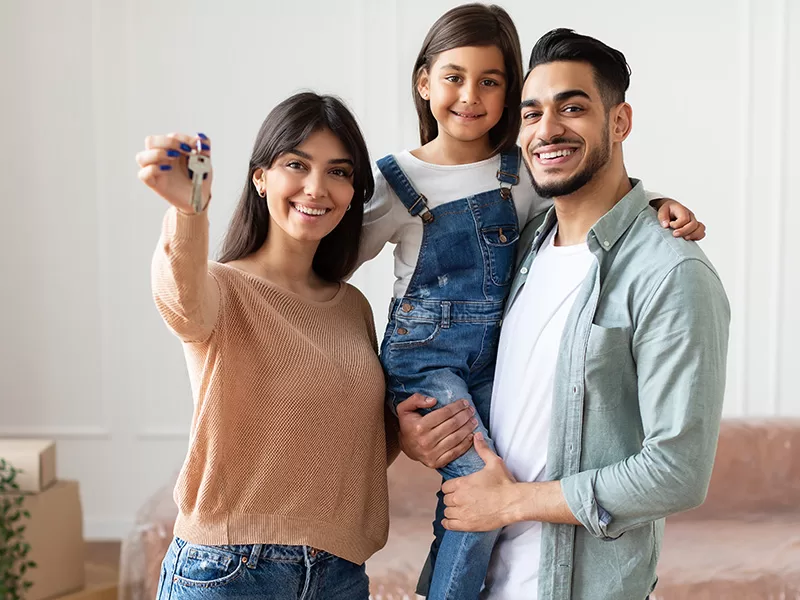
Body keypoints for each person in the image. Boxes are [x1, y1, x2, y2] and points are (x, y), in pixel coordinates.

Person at [356, 5, 706, 600]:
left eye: (573, 107)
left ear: (619, 121)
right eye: (534, 112)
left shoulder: (665, 272)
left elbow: (678, 471)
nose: (548, 129)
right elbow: (328, 263)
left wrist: (512, 501)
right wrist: (401, 431)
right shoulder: (531, 244)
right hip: (434, 387)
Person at [137, 92, 397, 600]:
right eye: (296, 164)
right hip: (229, 571)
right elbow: (180, 300)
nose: (317, 188)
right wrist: (190, 211)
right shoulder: (222, 288)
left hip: (339, 575)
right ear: (260, 178)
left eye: (339, 171)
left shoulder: (353, 308)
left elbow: (356, 448)